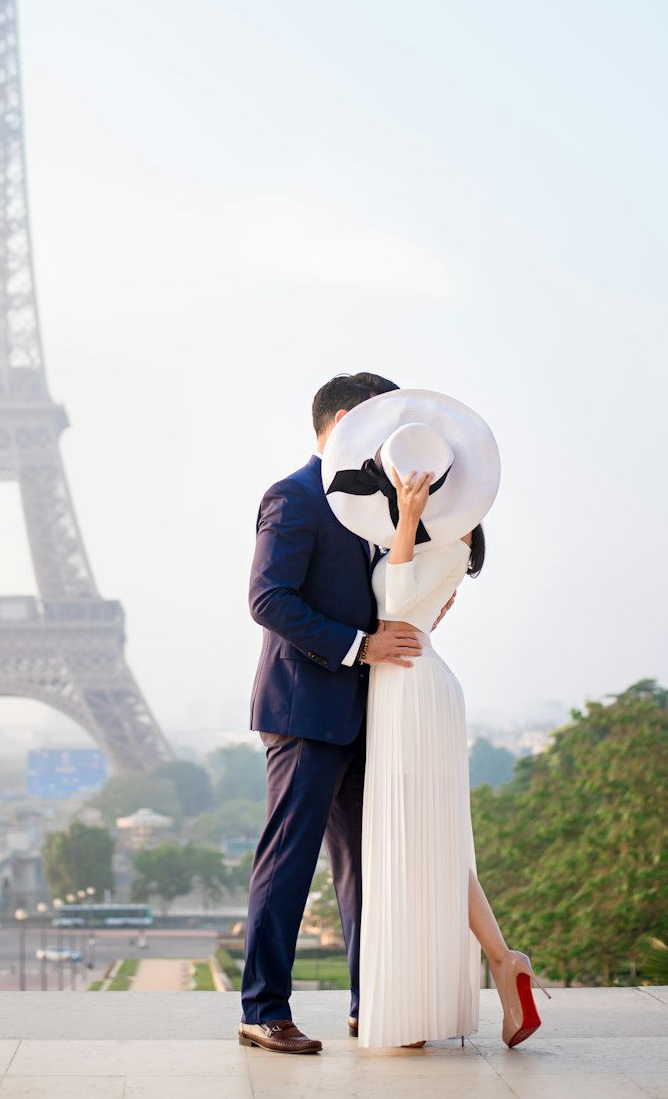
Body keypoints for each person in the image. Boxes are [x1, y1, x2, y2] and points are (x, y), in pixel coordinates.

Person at [322, 392, 548, 1050]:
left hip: (414, 690)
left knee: (420, 843)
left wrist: (410, 518)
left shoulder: (449, 536)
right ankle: (503, 965)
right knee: (433, 844)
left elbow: (393, 605)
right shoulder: (433, 539)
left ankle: (488, 971)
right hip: (410, 685)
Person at [238, 371, 423, 1057]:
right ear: (343, 420)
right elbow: (269, 599)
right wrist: (360, 646)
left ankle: (368, 1003)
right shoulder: (293, 495)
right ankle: (263, 1010)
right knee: (288, 862)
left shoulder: (378, 505)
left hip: (368, 710)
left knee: (366, 868)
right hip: (304, 705)